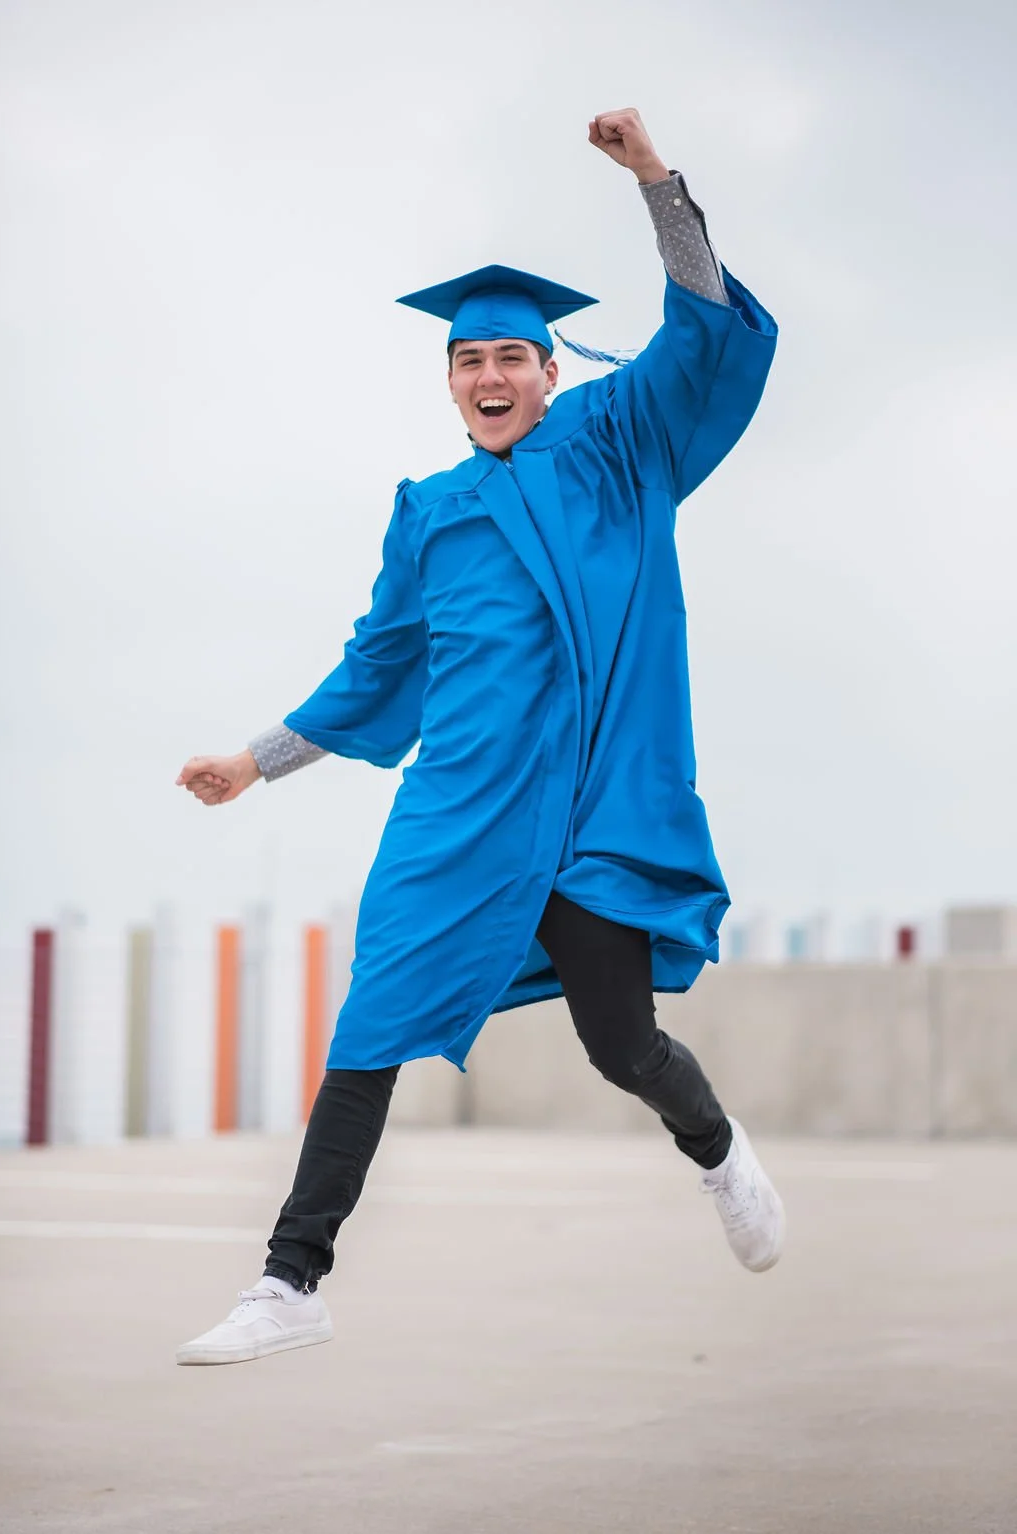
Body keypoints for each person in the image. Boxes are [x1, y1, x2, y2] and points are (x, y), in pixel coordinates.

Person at [175, 108, 784, 1368]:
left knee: (621, 1044)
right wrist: (252, 759)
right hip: (461, 806)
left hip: (595, 807)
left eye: (513, 354)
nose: (492, 376)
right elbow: (378, 665)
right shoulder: (431, 514)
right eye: (470, 362)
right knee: (372, 1018)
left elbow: (705, 337)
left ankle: (717, 1150)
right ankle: (291, 1280)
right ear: (447, 381)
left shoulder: (623, 447)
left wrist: (655, 184)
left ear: (550, 369)